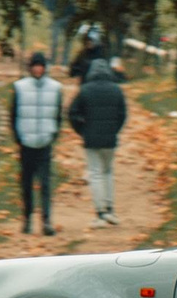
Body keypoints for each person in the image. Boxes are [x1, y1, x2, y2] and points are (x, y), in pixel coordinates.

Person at [70, 58, 128, 226]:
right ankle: (110, 209)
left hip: (91, 138)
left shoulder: (85, 90)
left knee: (95, 173)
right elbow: (122, 114)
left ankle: (100, 213)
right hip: (110, 139)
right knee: (108, 172)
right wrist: (114, 130)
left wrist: (82, 131)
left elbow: (72, 113)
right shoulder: (116, 89)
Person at [11, 51, 63, 236]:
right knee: (26, 184)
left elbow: (58, 114)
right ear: (30, 68)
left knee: (46, 184)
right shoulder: (20, 87)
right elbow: (13, 114)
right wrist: (18, 137)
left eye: (40, 66)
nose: (38, 69)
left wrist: (53, 134)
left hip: (45, 142)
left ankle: (46, 220)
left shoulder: (55, 88)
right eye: (35, 66)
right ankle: (27, 219)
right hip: (26, 143)